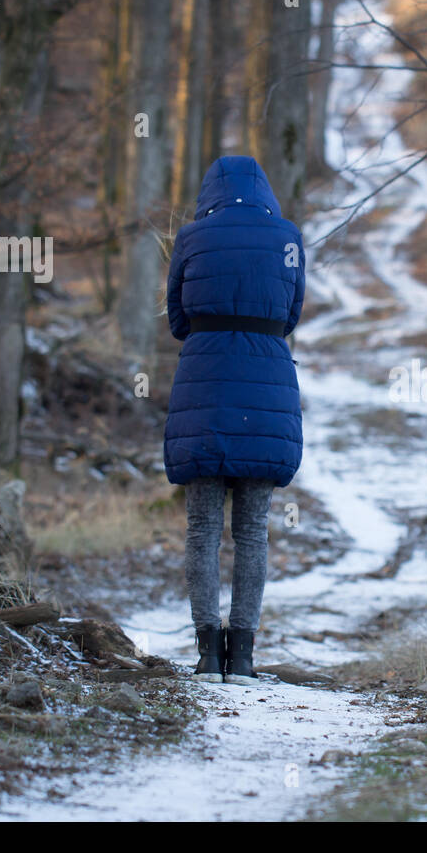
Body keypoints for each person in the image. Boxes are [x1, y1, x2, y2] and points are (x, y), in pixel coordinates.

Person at [162, 156, 305, 683]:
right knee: (253, 532)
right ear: (264, 189)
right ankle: (242, 655)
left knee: (201, 528)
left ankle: (206, 653)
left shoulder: (192, 236)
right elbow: (290, 316)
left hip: (204, 387)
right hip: (268, 390)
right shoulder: (287, 236)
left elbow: (177, 318)